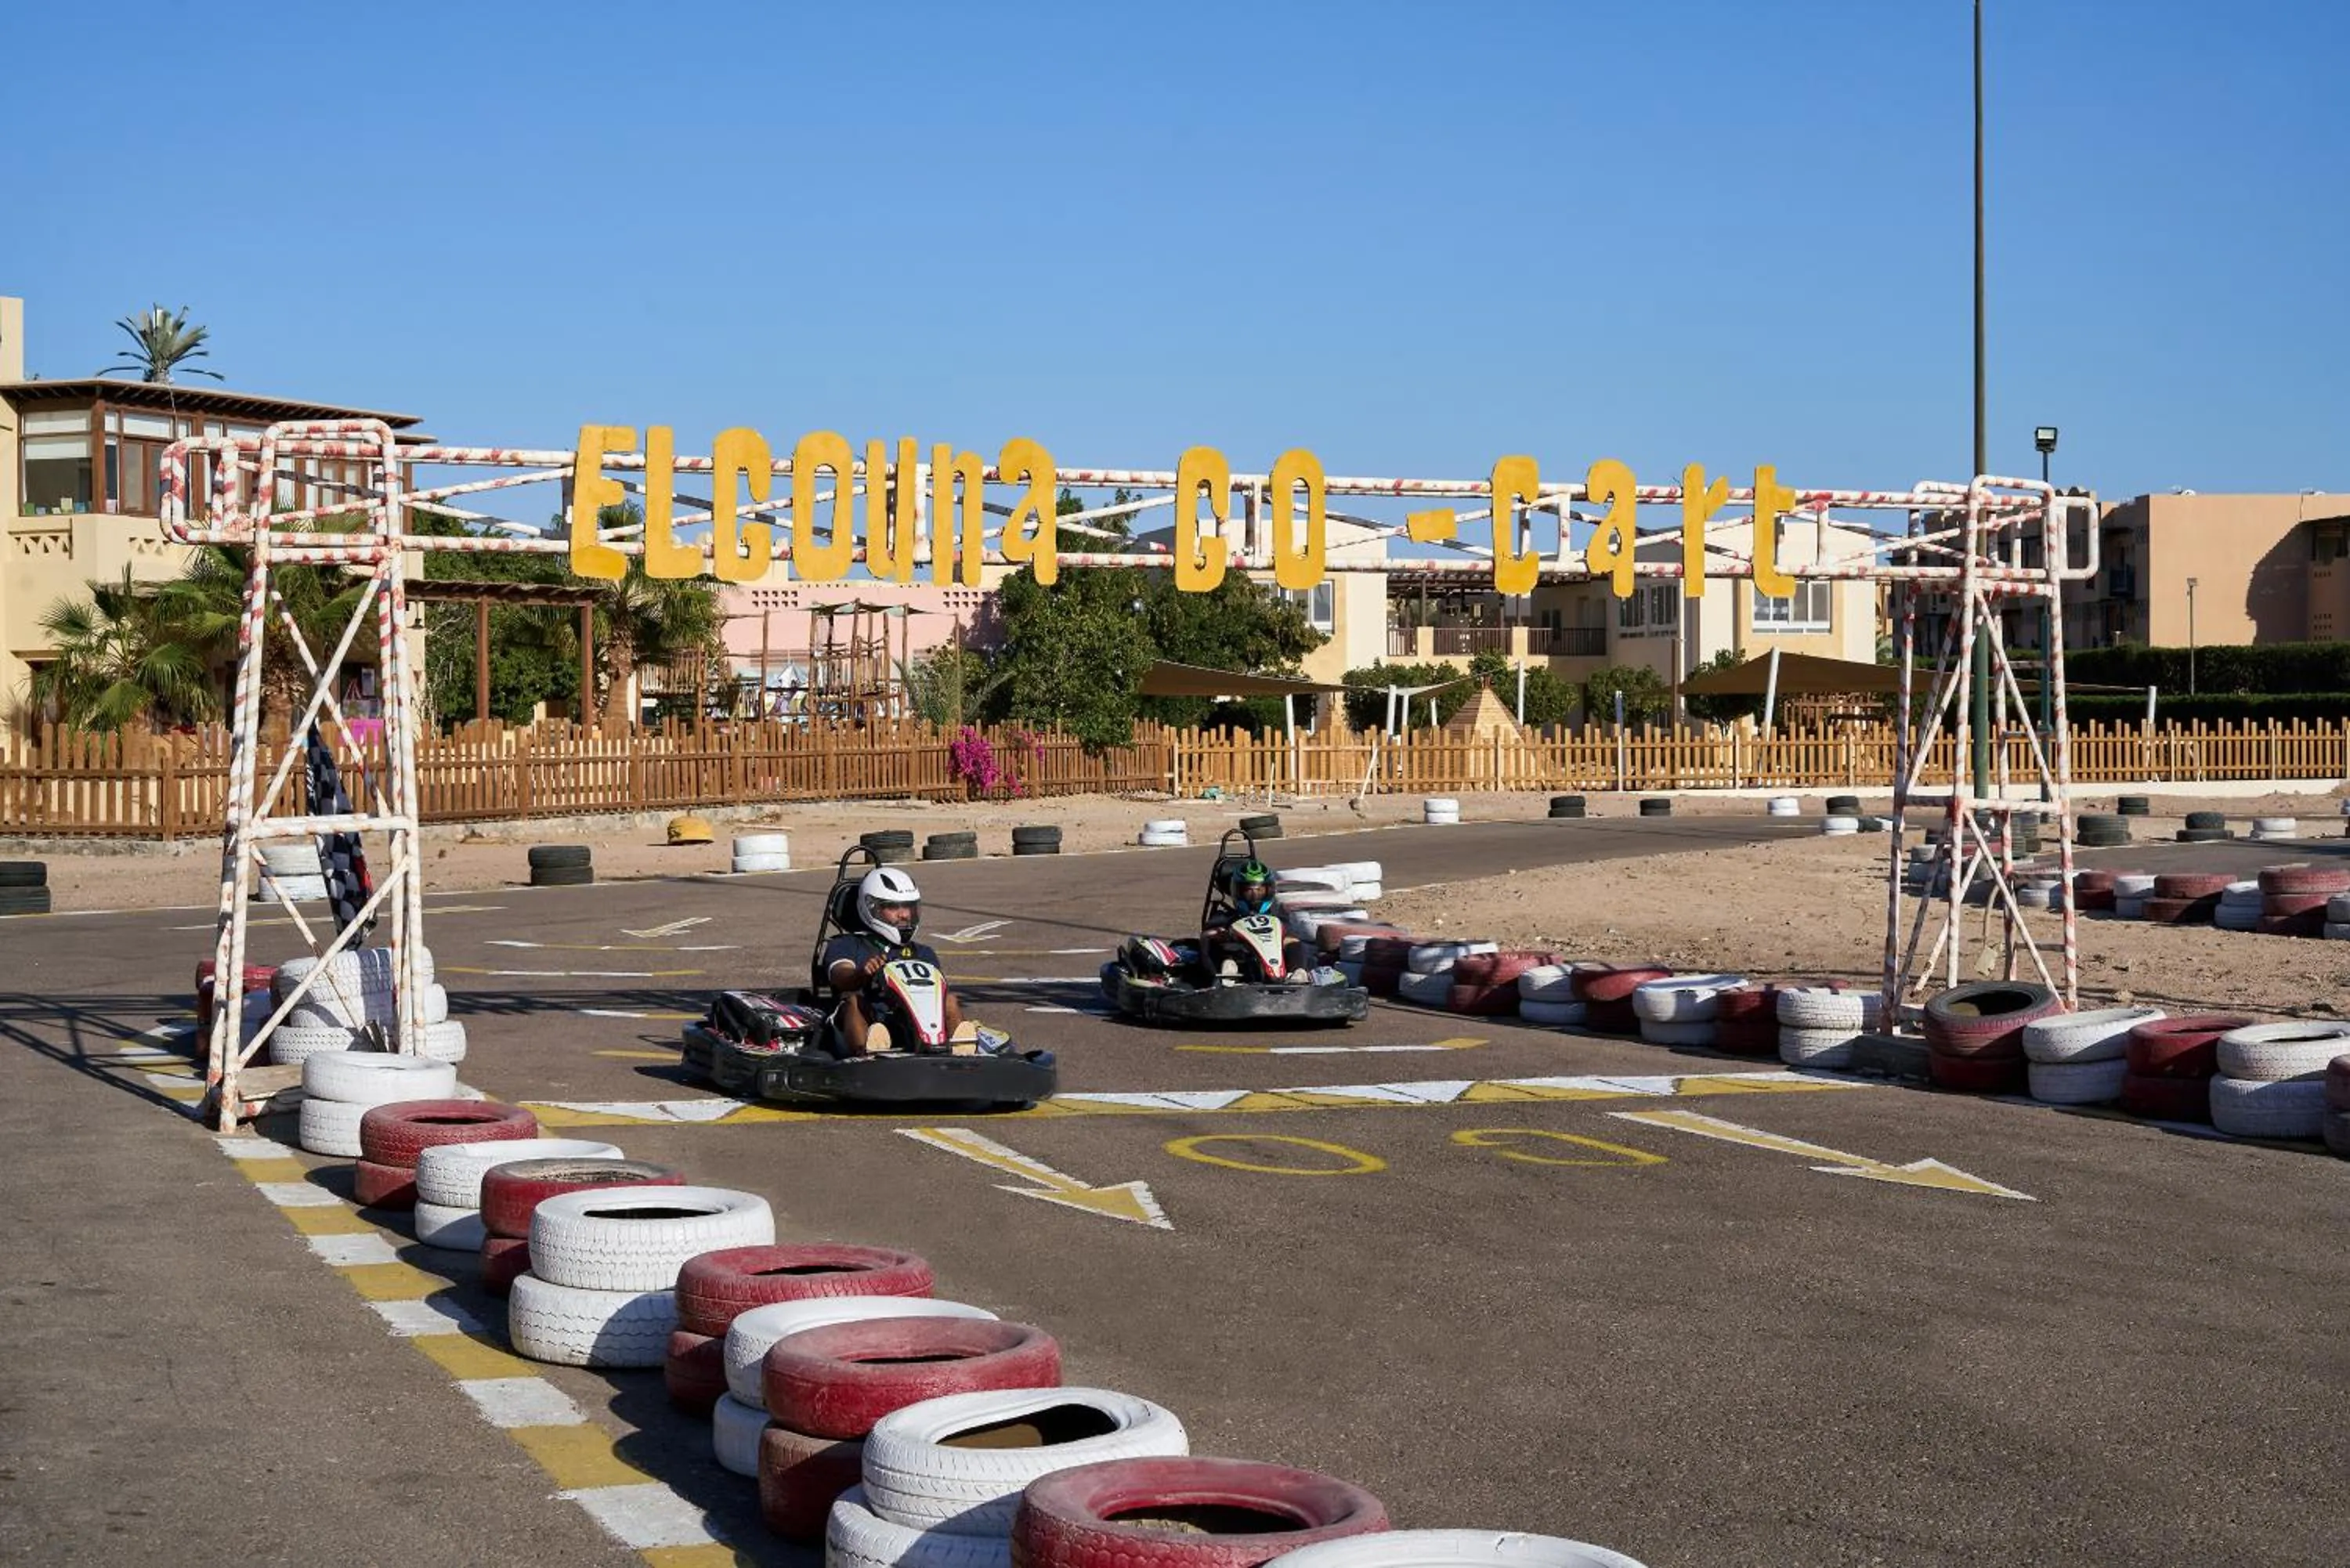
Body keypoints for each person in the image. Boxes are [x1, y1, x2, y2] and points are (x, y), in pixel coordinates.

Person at [822, 866, 967, 1053]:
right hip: (867, 1020)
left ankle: (961, 1056)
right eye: (893, 907)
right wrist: (862, 973)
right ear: (871, 907)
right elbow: (840, 976)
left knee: (949, 1000)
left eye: (908, 906)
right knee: (853, 1001)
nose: (904, 915)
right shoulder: (847, 945)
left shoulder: (923, 953)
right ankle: (867, 1056)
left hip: (911, 1023)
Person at [1201, 858, 1311, 980]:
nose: (1254, 896)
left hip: (1271, 960)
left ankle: (1298, 971)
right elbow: (1207, 933)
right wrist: (1224, 934)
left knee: (1292, 940)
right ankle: (1228, 970)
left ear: (1269, 891)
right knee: (1213, 939)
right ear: (1237, 892)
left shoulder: (1275, 918)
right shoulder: (1225, 917)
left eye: (1259, 891)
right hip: (1240, 961)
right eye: (1249, 891)